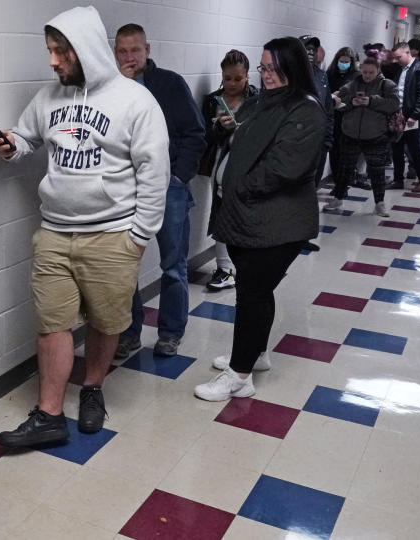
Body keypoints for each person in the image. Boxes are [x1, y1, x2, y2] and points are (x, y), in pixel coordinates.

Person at [0, 6, 169, 445]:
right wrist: (12, 145)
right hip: (54, 231)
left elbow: (154, 173)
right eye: (49, 51)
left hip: (113, 234)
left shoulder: (135, 101)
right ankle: (49, 415)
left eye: (59, 52)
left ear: (84, 50)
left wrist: (139, 237)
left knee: (106, 321)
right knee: (52, 321)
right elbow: (27, 136)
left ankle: (92, 389)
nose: (52, 61)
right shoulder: (50, 98)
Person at [194, 37, 324, 401]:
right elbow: (243, 136)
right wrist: (225, 128)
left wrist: (240, 187)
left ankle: (239, 375)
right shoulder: (261, 102)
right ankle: (256, 354)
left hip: (276, 223)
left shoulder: (305, 109)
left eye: (274, 69)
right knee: (256, 291)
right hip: (249, 217)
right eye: (264, 68)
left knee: (252, 293)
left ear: (293, 68)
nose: (266, 75)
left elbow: (284, 168)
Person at [113, 23, 206, 359]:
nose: (129, 57)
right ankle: (128, 334)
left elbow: (195, 133)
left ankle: (170, 332)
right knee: (124, 266)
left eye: (135, 50)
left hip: (169, 188)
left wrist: (179, 177)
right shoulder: (110, 89)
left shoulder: (169, 84)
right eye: (122, 51)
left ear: (147, 50)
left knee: (172, 265)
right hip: (126, 190)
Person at [198, 49, 259, 291]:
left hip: (249, 167)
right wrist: (220, 128)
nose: (232, 83)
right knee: (221, 215)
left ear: (247, 77)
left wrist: (241, 129)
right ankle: (224, 268)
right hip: (220, 165)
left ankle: (244, 264)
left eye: (238, 78)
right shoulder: (213, 101)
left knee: (245, 216)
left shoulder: (258, 100)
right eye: (227, 78)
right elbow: (205, 136)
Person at [324, 56, 400, 216]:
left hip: (376, 135)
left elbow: (393, 105)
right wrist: (352, 102)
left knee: (377, 172)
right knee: (344, 170)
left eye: (371, 72)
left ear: (378, 70)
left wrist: (371, 101)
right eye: (364, 72)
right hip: (350, 134)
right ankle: (338, 198)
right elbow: (337, 103)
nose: (367, 75)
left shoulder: (387, 85)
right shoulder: (352, 84)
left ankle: (379, 203)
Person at [389, 42, 420, 193]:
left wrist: (414, 116)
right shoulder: (400, 69)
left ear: (408, 53)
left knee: (415, 149)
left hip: (411, 116)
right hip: (398, 115)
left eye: (398, 57)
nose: (396, 60)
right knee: (397, 148)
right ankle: (398, 180)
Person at [301, 36, 334, 185]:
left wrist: (327, 140)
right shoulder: (287, 76)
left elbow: (328, 110)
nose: (310, 52)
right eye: (307, 48)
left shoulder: (321, 76)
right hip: (297, 141)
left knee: (313, 184)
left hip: (319, 141)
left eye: (313, 49)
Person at [326, 47, 358, 185]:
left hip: (349, 116)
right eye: (341, 61)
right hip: (333, 115)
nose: (344, 64)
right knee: (334, 149)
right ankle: (336, 177)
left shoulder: (356, 76)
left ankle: (348, 177)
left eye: (347, 61)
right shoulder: (329, 74)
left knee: (347, 150)